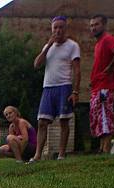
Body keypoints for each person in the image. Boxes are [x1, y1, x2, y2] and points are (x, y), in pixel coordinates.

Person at [31, 15, 81, 162]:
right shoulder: (48, 47)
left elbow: (77, 70)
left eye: (61, 27)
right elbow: (36, 64)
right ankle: (38, 155)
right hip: (48, 88)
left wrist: (75, 91)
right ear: (52, 30)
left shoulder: (73, 46)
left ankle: (61, 154)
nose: (58, 30)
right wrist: (47, 46)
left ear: (65, 29)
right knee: (42, 122)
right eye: (55, 28)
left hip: (64, 86)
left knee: (63, 121)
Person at [89, 14, 114, 154]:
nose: (93, 28)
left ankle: (106, 148)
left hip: (105, 86)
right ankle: (101, 147)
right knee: (98, 117)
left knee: (105, 116)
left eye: (96, 24)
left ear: (104, 25)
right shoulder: (98, 44)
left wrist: (111, 66)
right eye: (91, 25)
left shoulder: (107, 39)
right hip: (97, 85)